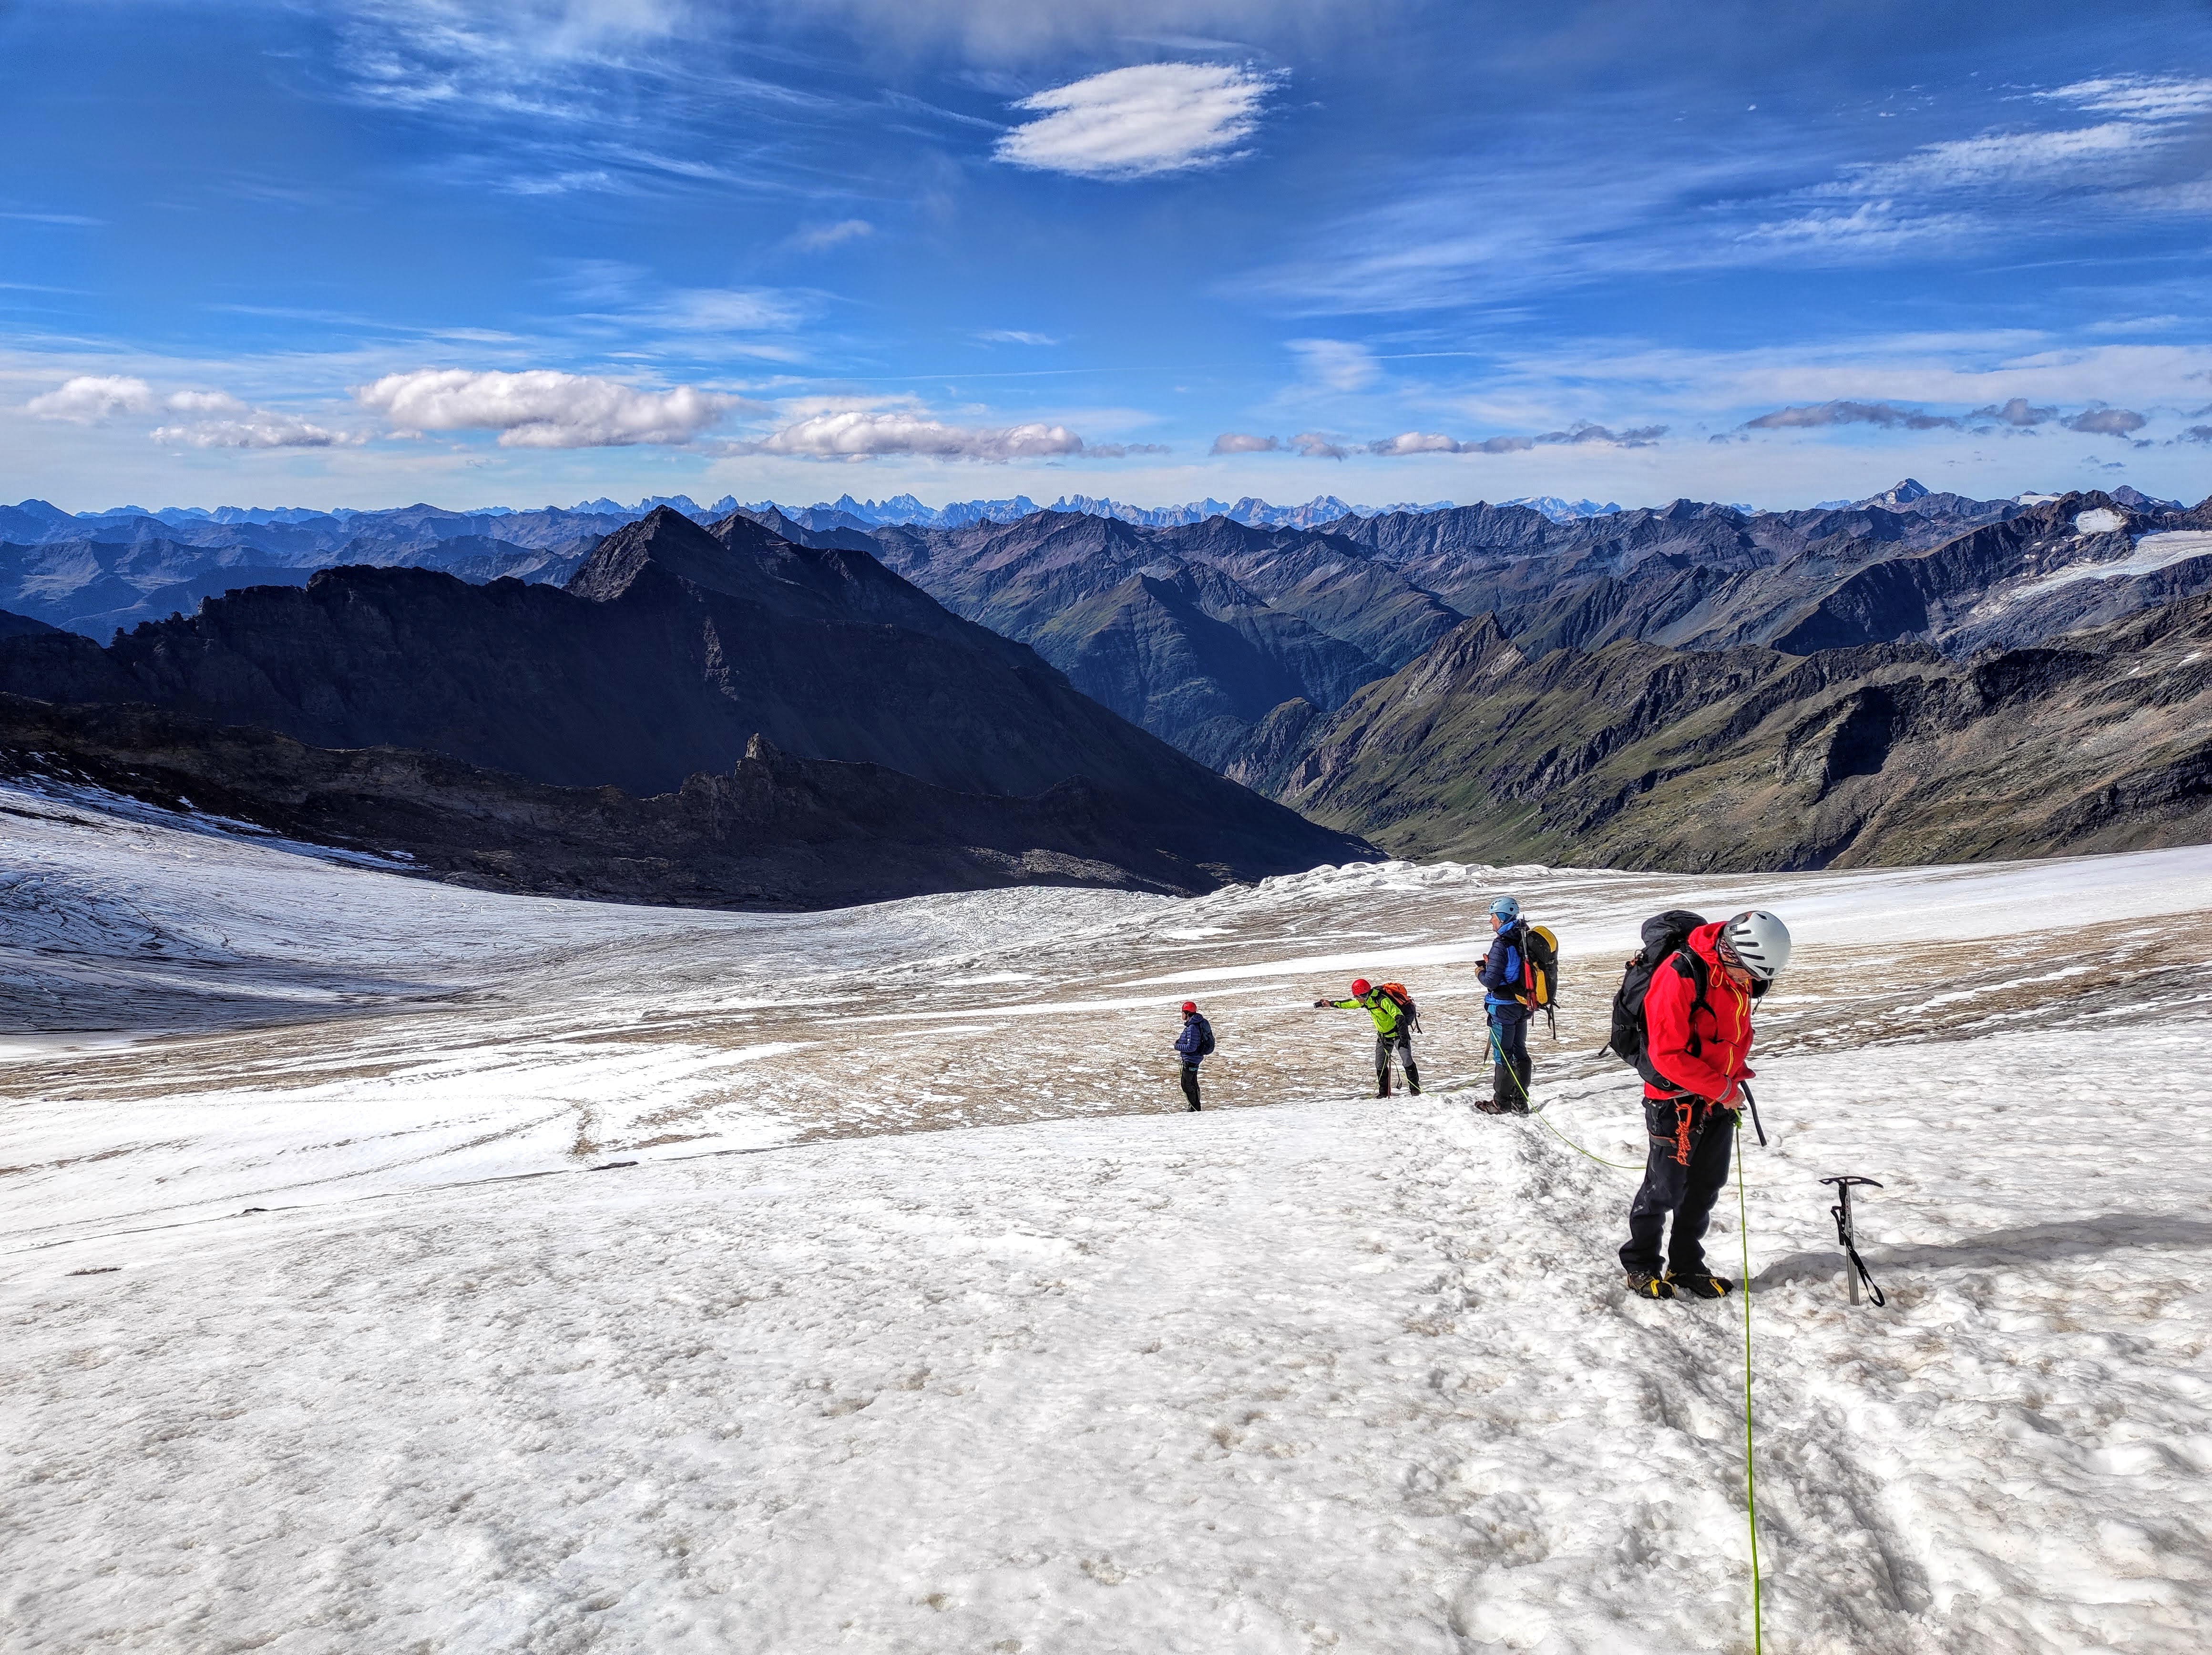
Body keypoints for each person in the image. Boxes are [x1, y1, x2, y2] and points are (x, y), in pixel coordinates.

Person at [1621, 910, 1792, 1300]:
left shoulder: (1736, 973)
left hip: (1717, 1096)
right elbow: (1667, 1055)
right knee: (1664, 1188)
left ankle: (1686, 1266)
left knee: (1704, 1187)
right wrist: (1721, 1087)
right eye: (1750, 975)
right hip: (1674, 1102)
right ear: (1731, 954)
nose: (1753, 985)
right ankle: (1641, 1266)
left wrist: (1727, 1084)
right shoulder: (1680, 975)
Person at [1313, 978, 1421, 1096]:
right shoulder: (1366, 1001)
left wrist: (1404, 1039)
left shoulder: (1382, 1000)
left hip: (1398, 1036)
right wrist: (1330, 1004)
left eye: (1356, 996)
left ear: (1363, 995)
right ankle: (1384, 1094)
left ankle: (1415, 1091)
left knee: (1407, 1061)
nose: (1356, 999)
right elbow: (1349, 1004)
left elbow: (1399, 1016)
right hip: (1383, 1037)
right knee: (1380, 1065)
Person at [1476, 895, 1534, 1115]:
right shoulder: (1523, 937)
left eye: (1492, 917)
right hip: (1523, 1003)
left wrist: (1481, 972)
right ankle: (1521, 1100)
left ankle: (1501, 1102)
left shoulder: (1502, 944)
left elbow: (1491, 981)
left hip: (1503, 1006)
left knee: (1503, 1055)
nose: (1491, 921)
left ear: (1501, 917)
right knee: (1520, 1051)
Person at [1173, 1000, 1214, 1111]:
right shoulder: (1194, 1025)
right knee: (1192, 1084)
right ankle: (1195, 1108)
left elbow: (1191, 1047)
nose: (1181, 1014)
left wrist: (1177, 1046)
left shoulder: (1193, 1028)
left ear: (1188, 1014)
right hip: (1193, 1059)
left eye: (1183, 1012)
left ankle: (1194, 1109)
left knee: (1187, 1085)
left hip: (1191, 1060)